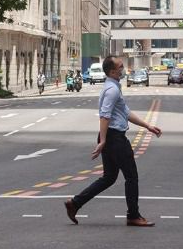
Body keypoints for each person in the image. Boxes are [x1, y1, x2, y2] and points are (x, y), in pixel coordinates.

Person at [64, 55, 161, 227]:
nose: (123, 69)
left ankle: (75, 203)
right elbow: (104, 115)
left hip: (111, 136)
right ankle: (133, 215)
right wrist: (103, 141)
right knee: (131, 176)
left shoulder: (113, 87)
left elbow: (125, 112)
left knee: (109, 177)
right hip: (114, 138)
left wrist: (147, 126)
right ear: (112, 71)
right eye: (121, 67)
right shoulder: (112, 90)